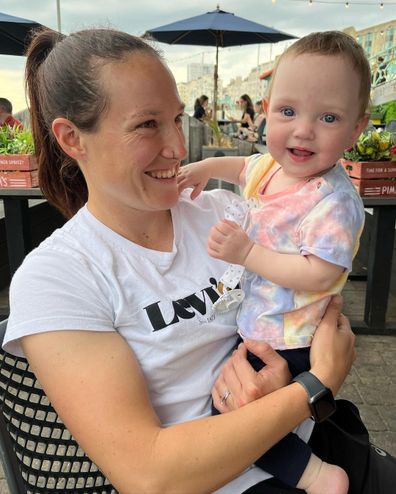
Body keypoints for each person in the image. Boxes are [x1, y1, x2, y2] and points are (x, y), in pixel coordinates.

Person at [2, 27, 357, 494]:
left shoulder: (228, 213)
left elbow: (317, 309)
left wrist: (299, 384)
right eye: (147, 124)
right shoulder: (60, 276)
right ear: (72, 139)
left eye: (176, 118)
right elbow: (149, 474)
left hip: (314, 443)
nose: (177, 146)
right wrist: (314, 385)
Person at [178, 31, 370, 494]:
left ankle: (318, 476)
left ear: (356, 129)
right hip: (261, 323)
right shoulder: (271, 167)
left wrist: (248, 254)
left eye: (328, 117)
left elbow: (320, 273)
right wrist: (205, 169)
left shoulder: (333, 202)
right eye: (288, 112)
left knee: (239, 420)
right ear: (266, 111)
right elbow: (243, 167)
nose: (303, 130)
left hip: (294, 335)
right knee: (236, 412)